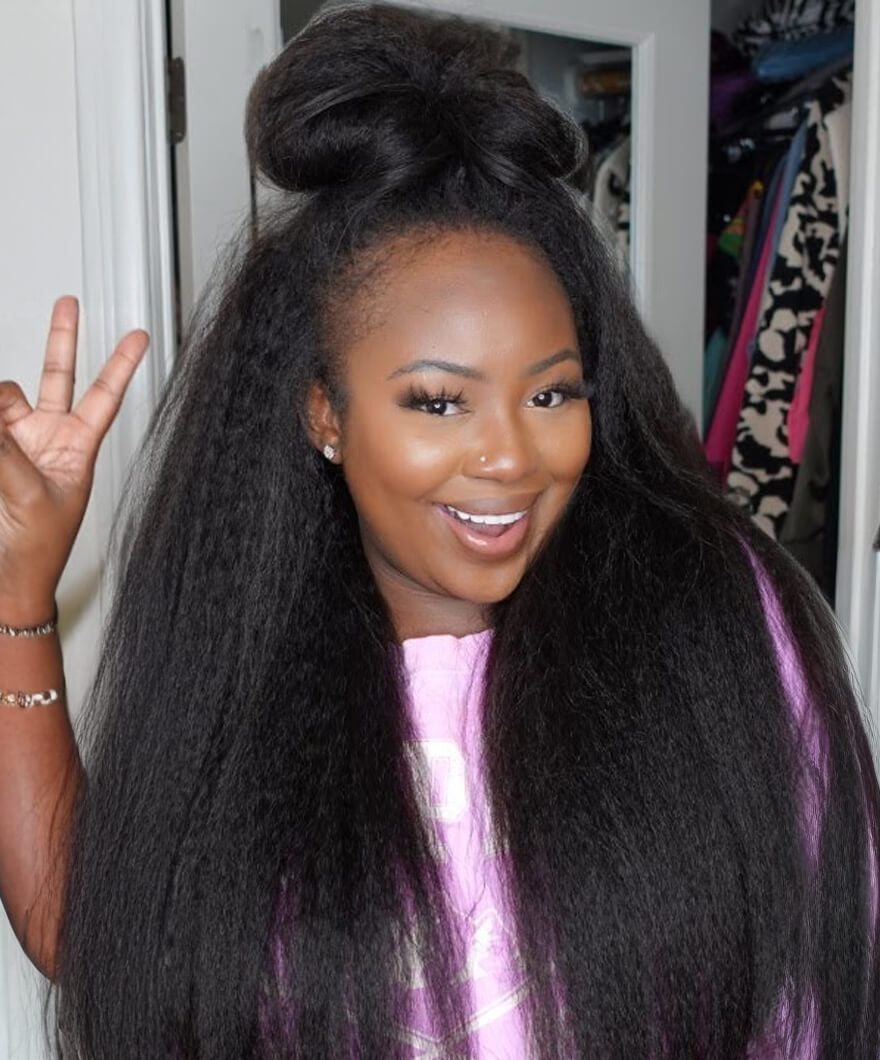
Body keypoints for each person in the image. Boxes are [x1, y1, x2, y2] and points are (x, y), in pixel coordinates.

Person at [0, 5, 877, 1058]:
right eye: (438, 401)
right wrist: (18, 601)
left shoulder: (712, 623)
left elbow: (819, 968)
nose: (510, 455)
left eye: (551, 395)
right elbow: (102, 936)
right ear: (325, 411)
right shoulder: (253, 670)